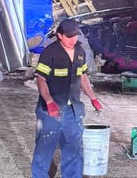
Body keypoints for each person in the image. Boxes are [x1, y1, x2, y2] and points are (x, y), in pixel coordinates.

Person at [31, 19, 103, 178]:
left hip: (73, 109)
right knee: (45, 147)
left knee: (74, 149)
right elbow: (41, 79)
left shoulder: (80, 52)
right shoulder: (50, 53)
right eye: (69, 37)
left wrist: (93, 98)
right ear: (60, 36)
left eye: (75, 36)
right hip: (51, 110)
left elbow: (82, 76)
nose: (73, 40)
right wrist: (49, 101)